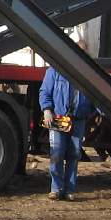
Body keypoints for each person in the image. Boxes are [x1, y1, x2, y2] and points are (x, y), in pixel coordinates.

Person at [39, 62, 97, 200]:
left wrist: (92, 113)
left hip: (78, 120)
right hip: (58, 119)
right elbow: (44, 92)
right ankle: (56, 189)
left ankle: (69, 190)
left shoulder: (87, 74)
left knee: (74, 154)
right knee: (57, 153)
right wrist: (47, 110)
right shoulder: (54, 71)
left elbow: (95, 97)